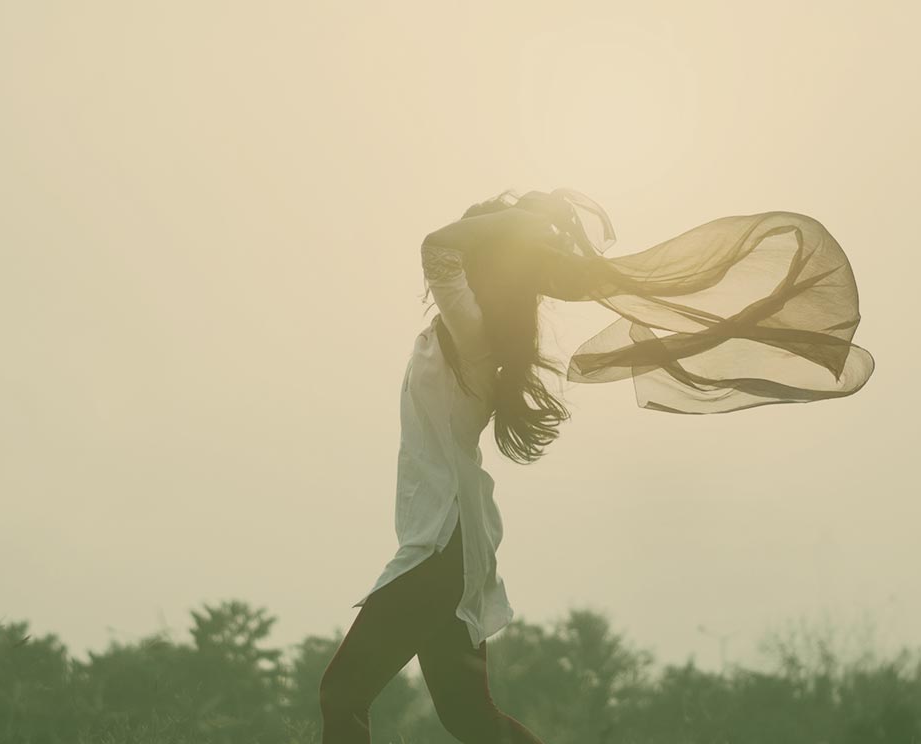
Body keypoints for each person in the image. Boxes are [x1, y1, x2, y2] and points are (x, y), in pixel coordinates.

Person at [318, 188, 875, 744]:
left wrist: (519, 222)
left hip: (443, 540)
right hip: (448, 539)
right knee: (468, 716)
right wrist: (518, 225)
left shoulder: (474, 329)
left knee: (343, 695)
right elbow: (450, 251)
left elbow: (437, 247)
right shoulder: (469, 329)